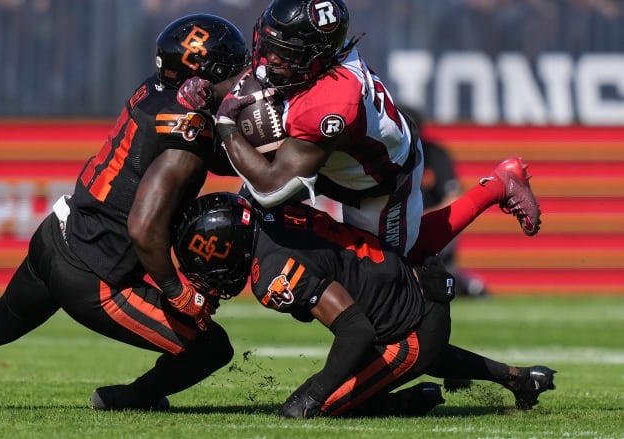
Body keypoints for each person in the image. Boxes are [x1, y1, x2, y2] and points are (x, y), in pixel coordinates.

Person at [0, 14, 251, 409]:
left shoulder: (157, 91)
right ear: (204, 78)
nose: (241, 80)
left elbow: (211, 152)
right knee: (212, 348)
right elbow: (143, 227)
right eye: (233, 71)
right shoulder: (184, 141)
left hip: (58, 234)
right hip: (95, 276)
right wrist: (177, 292)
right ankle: (127, 399)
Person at [176, 0, 541, 261]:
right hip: (332, 156)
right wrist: (209, 92)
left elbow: (273, 189)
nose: (269, 58)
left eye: (283, 51)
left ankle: (498, 185)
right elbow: (260, 79)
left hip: (378, 177)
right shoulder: (306, 60)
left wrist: (224, 121)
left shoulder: (332, 102)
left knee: (399, 262)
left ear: (316, 57)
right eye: (269, 43)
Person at [173, 191, 556, 418]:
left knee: (310, 408)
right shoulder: (270, 210)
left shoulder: (271, 273)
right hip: (411, 276)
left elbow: (357, 332)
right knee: (394, 348)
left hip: (412, 324)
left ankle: (403, 402)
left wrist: (310, 396)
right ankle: (520, 379)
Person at [401, 106, 489, 298]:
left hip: (428, 225)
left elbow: (454, 195)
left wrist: (424, 217)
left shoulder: (435, 154)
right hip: (396, 226)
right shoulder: (385, 155)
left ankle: (462, 283)